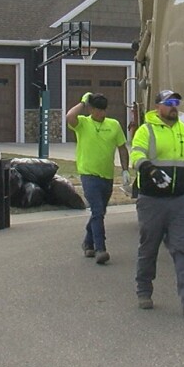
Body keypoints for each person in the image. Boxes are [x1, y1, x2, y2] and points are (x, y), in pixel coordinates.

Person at [130, 89, 184, 317]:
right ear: (158, 107)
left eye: (176, 102)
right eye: (169, 102)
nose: (174, 106)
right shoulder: (146, 131)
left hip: (181, 201)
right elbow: (136, 156)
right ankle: (144, 290)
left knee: (182, 248)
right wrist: (152, 171)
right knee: (149, 247)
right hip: (152, 201)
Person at [66, 91, 131, 265]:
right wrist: (82, 102)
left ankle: (87, 242)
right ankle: (100, 249)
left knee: (100, 212)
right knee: (97, 211)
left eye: (103, 110)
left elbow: (122, 148)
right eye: (97, 110)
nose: (101, 113)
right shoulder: (83, 124)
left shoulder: (114, 125)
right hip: (88, 174)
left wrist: (125, 170)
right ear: (91, 109)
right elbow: (70, 116)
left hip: (107, 175)